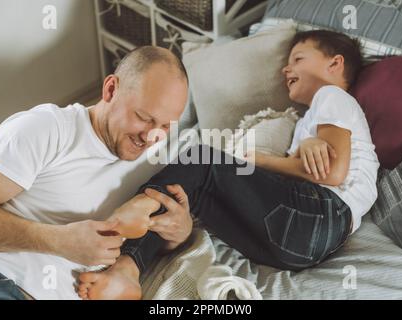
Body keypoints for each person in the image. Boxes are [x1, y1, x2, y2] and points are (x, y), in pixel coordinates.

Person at [77, 30, 380, 300]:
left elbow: (332, 172)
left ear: (335, 64)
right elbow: (316, 167)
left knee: (202, 159)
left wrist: (260, 161)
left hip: (320, 215)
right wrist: (299, 152)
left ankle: (134, 217)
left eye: (298, 59)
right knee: (189, 197)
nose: (286, 68)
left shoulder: (331, 95)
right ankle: (128, 269)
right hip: (301, 247)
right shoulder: (308, 118)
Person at [0, 46, 191, 300]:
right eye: (143, 117)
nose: (149, 136)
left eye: (165, 126)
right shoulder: (47, 128)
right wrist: (57, 240)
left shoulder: (159, 162)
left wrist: (180, 232)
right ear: (111, 89)